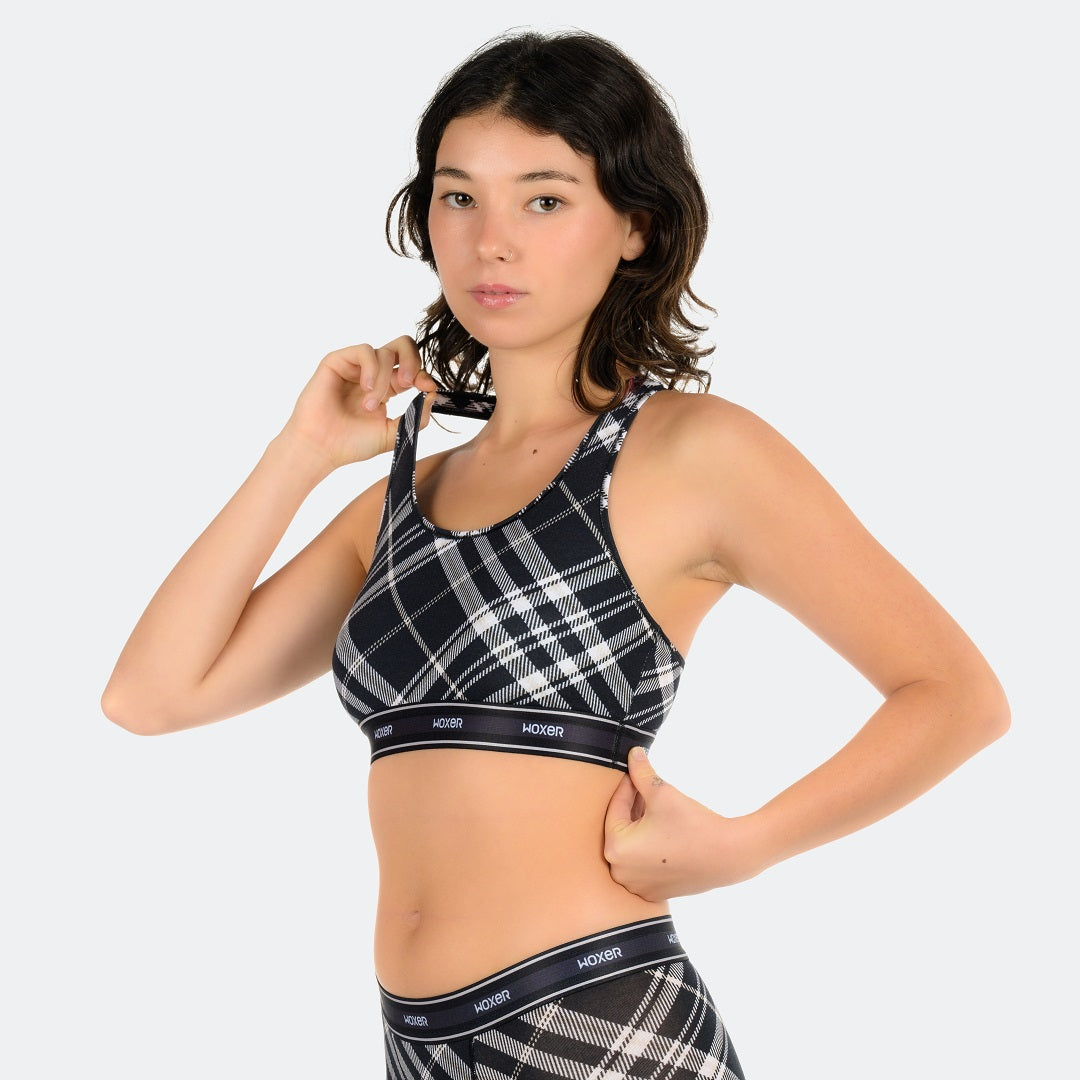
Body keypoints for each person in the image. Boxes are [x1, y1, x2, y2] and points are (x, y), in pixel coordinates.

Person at [101, 29, 1010, 1080]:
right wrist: (300, 453)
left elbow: (957, 695)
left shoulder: (694, 454)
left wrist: (747, 844)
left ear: (635, 225)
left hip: (601, 1026)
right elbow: (150, 697)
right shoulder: (402, 499)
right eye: (459, 196)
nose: (491, 242)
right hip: (418, 1048)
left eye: (543, 199)